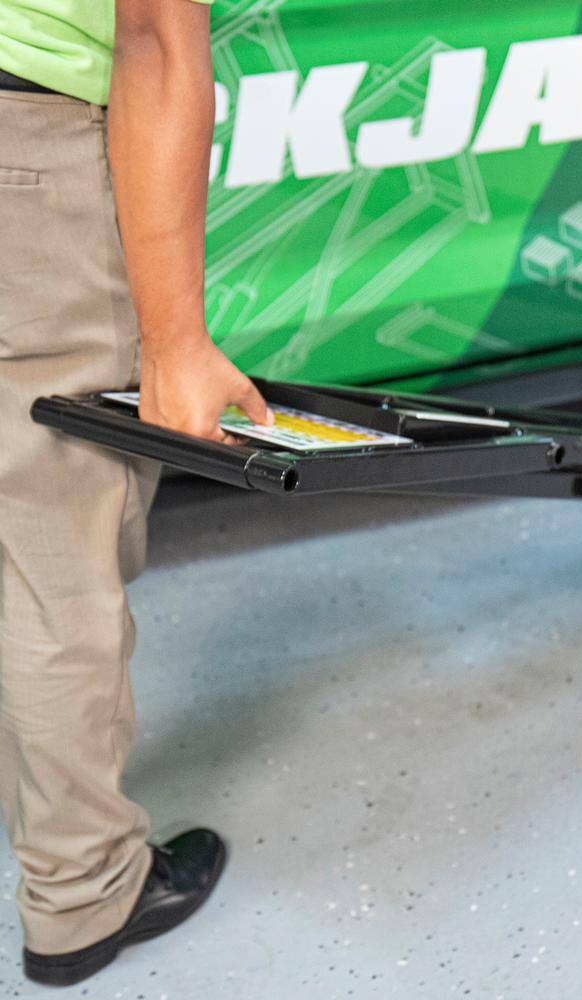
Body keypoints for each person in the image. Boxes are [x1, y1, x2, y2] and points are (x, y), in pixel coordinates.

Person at [0, 0, 273, 986]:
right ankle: (83, 892)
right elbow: (156, 36)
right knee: (54, 550)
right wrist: (175, 342)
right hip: (24, 145)